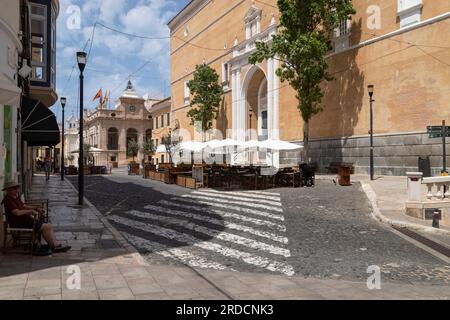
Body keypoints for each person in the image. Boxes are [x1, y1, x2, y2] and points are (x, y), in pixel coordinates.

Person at [1, 182, 71, 254]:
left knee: (48, 226)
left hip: (26, 220)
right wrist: (30, 211)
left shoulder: (16, 197)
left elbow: (24, 206)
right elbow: (17, 213)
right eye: (14, 188)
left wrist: (36, 208)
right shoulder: (8, 200)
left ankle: (56, 245)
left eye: (17, 188)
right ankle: (53, 247)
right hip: (19, 223)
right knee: (45, 227)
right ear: (8, 190)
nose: (16, 190)